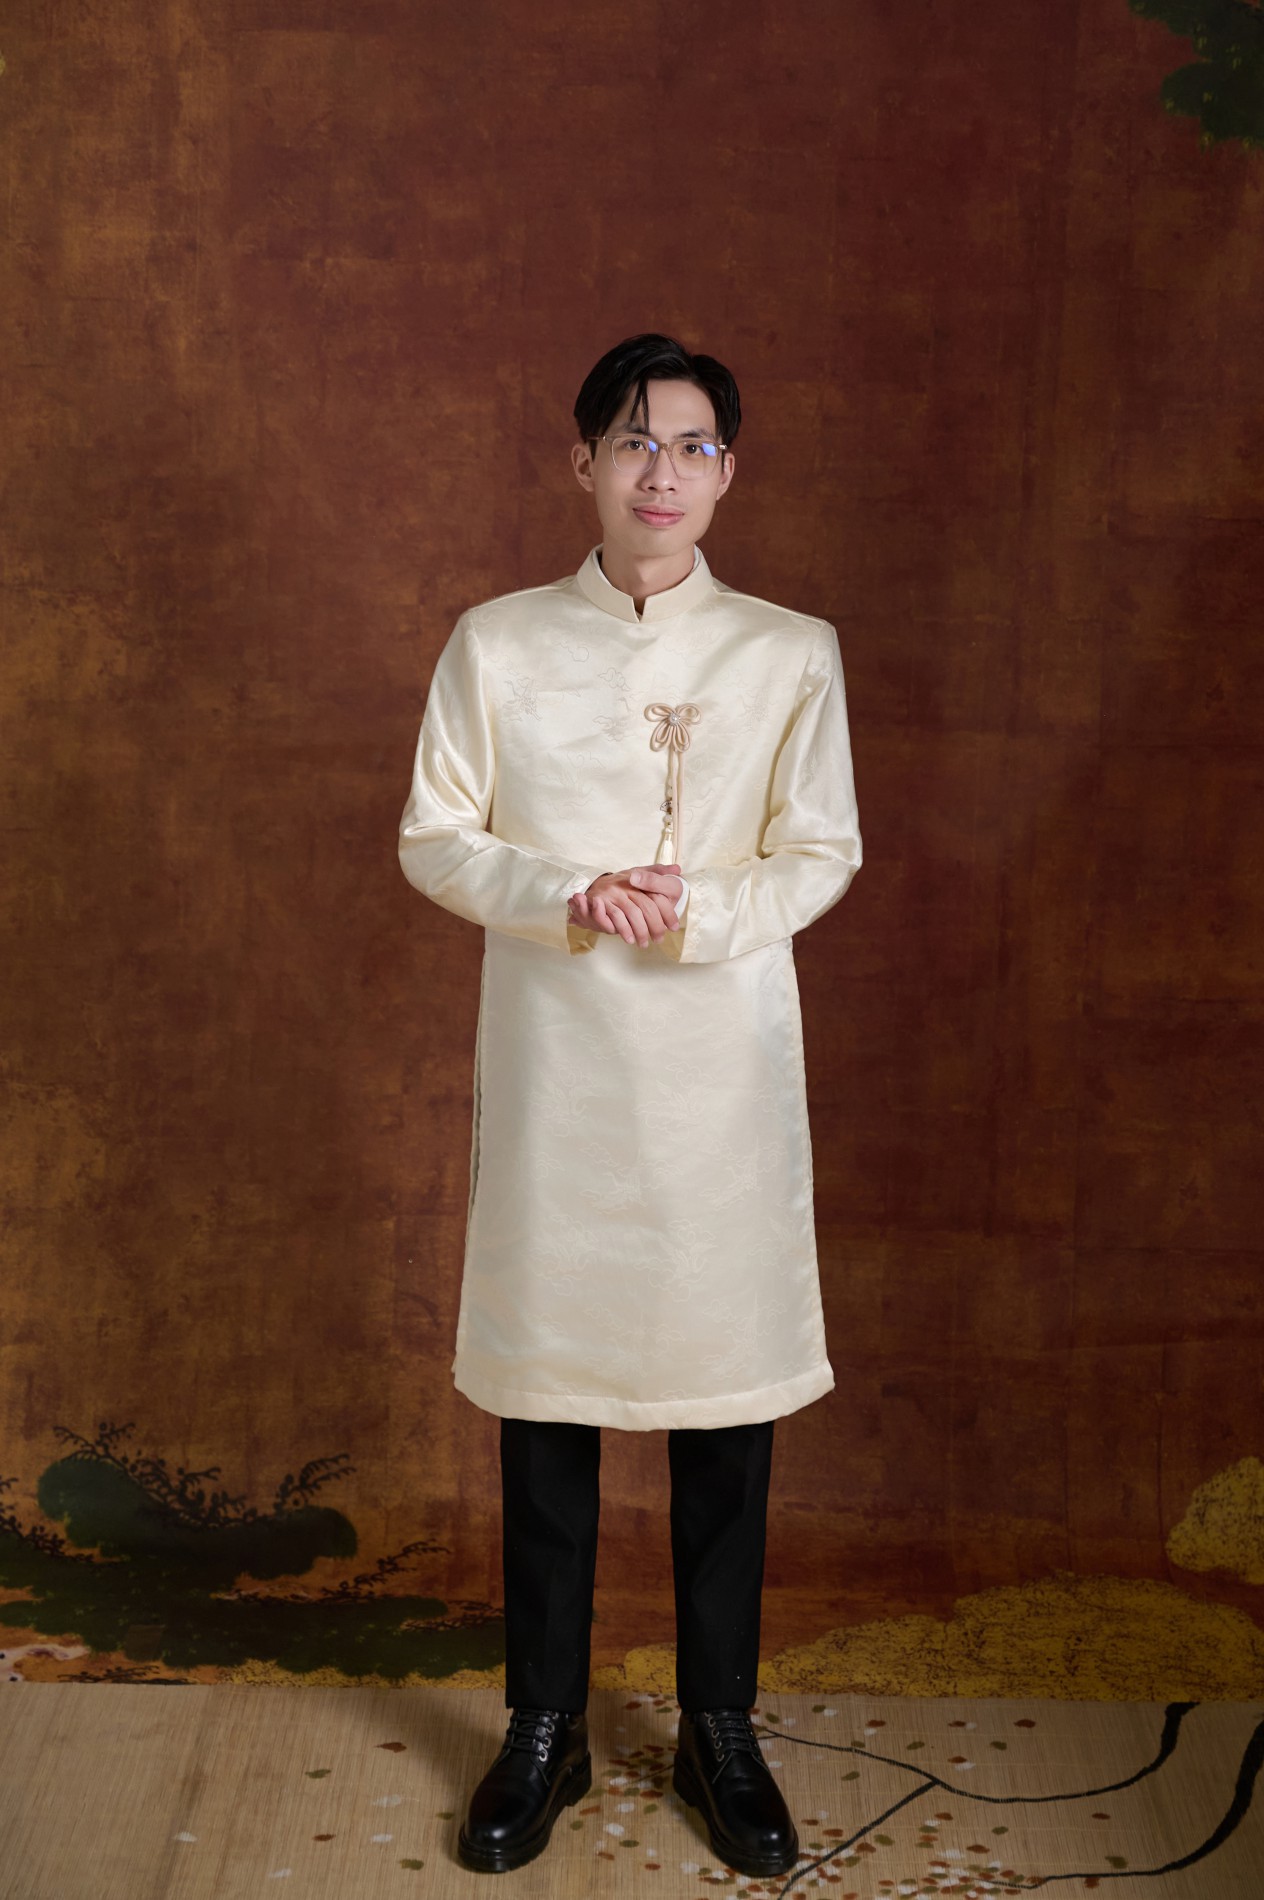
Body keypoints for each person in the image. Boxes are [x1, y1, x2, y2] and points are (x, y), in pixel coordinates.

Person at [397, 332, 862, 1876]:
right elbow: (436, 836)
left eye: (695, 445)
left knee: (726, 1415)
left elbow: (821, 851)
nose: (664, 472)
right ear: (583, 464)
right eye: (636, 442)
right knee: (549, 1407)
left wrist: (698, 910)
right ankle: (544, 1726)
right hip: (562, 1074)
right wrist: (569, 894)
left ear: (729, 472)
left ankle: (721, 1726)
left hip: (720, 1078)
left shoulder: (789, 652)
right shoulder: (499, 643)